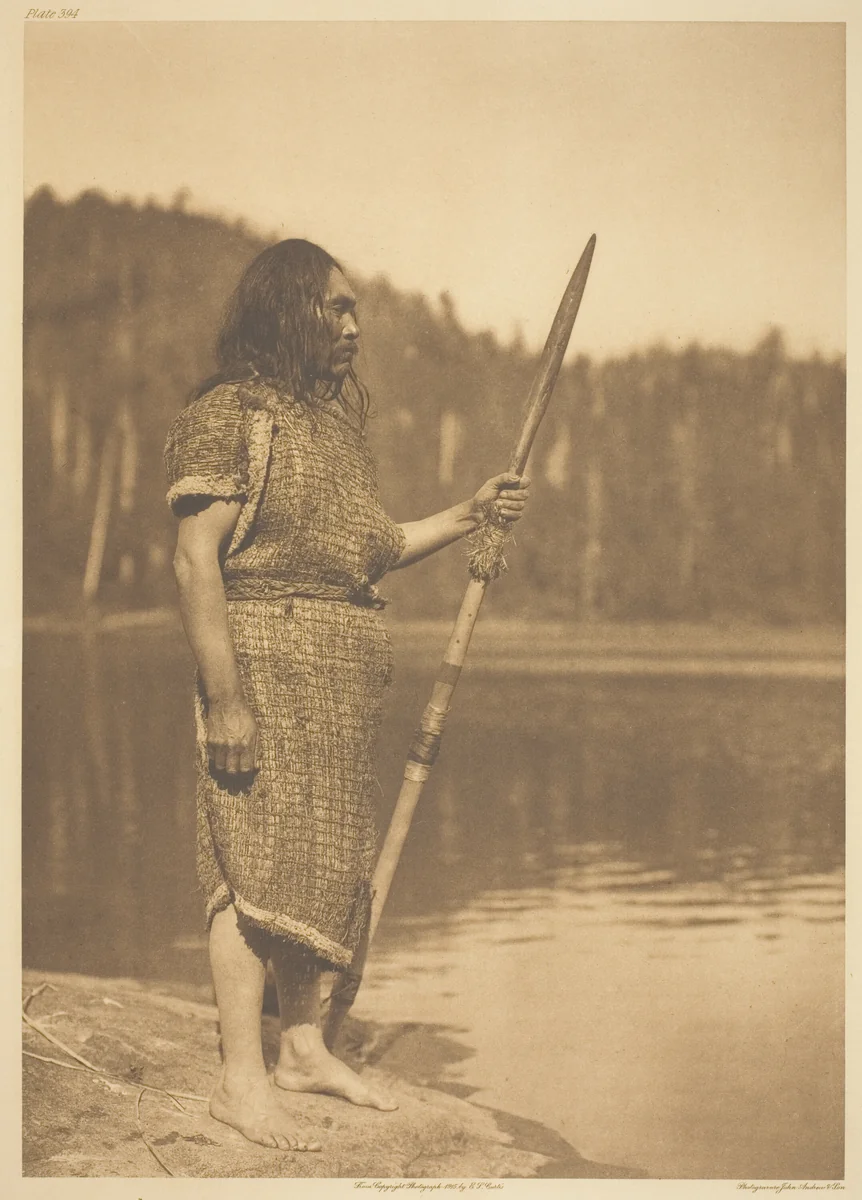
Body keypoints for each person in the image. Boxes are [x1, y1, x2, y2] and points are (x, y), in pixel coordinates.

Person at [165, 238, 530, 1153]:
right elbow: (193, 558)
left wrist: (471, 512)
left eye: (356, 310)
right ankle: (240, 1084)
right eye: (338, 308)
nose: (355, 328)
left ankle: (298, 1050)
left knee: (318, 873)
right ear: (288, 309)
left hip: (336, 687)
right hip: (259, 668)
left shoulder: (330, 430)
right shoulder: (229, 414)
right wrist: (227, 700)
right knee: (249, 873)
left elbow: (374, 549)